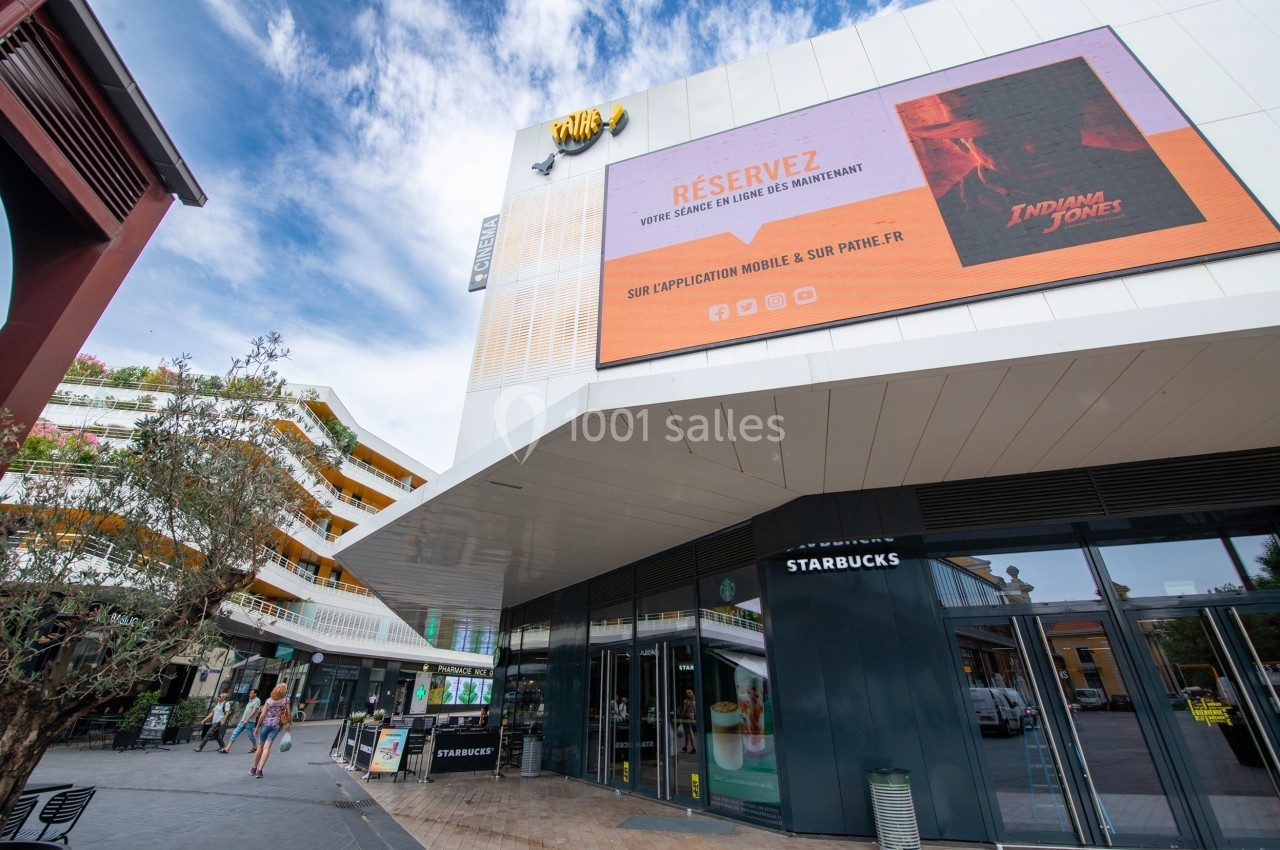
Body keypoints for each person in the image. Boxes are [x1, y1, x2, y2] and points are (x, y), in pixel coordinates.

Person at [899, 57, 1203, 267]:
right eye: (999, 139)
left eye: (1047, 127)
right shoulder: (951, 219)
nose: (1031, 147)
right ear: (960, 144)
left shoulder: (1152, 173)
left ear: (1072, 120)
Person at [250, 683, 292, 778]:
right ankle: (260, 770)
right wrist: (289, 724)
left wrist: (257, 727)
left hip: (265, 724)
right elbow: (288, 713)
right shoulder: (286, 700)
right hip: (276, 725)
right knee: (267, 747)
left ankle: (254, 768)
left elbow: (262, 715)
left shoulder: (269, 701)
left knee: (260, 746)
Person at [220, 688, 261, 753]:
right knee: (235, 733)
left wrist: (247, 719)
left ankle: (255, 746)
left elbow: (254, 711)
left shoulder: (257, 700)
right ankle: (227, 748)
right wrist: (244, 719)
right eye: (250, 693)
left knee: (250, 735)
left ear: (255, 694)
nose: (249, 694)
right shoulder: (250, 700)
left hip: (249, 722)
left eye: (251, 693)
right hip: (242, 721)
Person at [679, 689, 697, 754]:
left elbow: (683, 710)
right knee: (687, 732)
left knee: (690, 732)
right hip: (692, 717)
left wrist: (680, 717)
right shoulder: (694, 701)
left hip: (686, 717)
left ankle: (694, 747)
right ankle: (685, 747)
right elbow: (695, 710)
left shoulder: (685, 701)